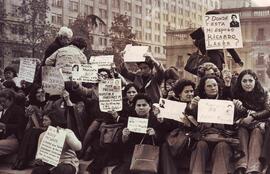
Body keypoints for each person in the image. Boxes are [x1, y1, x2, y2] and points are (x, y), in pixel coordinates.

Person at [186, 75, 237, 174]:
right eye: (209, 86)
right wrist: (192, 107)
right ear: (204, 89)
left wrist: (236, 107)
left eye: (214, 85)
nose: (213, 88)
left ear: (218, 87)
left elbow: (234, 123)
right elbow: (190, 119)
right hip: (204, 138)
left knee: (222, 146)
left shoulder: (226, 102)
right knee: (200, 145)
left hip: (222, 139)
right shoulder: (198, 102)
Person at [112, 93, 162, 174]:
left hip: (150, 154)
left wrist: (155, 134)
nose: (141, 107)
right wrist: (124, 136)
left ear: (149, 107)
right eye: (138, 105)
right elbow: (122, 142)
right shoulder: (130, 120)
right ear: (135, 107)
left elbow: (163, 137)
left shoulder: (156, 119)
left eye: (144, 105)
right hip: (133, 154)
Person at [233, 69, 270, 174]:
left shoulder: (264, 92)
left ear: (255, 81)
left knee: (256, 132)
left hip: (259, 124)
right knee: (242, 130)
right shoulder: (236, 94)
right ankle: (241, 166)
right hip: (242, 125)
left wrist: (253, 117)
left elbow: (268, 110)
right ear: (240, 82)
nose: (247, 84)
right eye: (244, 81)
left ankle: (253, 168)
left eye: (250, 80)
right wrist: (238, 109)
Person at [159, 79, 196, 174]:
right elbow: (168, 127)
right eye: (186, 91)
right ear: (179, 94)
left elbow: (200, 127)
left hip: (192, 138)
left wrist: (189, 124)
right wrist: (162, 120)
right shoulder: (172, 106)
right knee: (165, 146)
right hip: (176, 138)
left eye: (191, 91)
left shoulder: (196, 106)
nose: (190, 94)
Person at [0, 89, 26, 157]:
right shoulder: (4, 110)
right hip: (5, 138)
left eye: (4, 101)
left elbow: (21, 126)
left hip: (14, 139)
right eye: (1, 102)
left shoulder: (17, 109)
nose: (2, 103)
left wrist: (5, 126)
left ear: (11, 99)